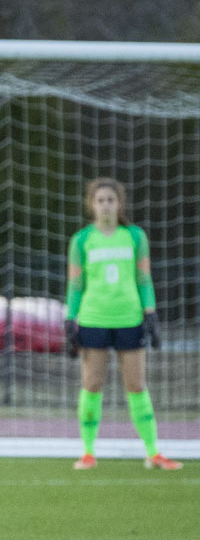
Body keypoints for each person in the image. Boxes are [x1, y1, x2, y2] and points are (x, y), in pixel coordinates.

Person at [64, 178, 181, 471]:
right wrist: (70, 319)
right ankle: (88, 452)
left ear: (120, 204)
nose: (105, 205)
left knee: (137, 385)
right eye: (100, 200)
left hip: (130, 318)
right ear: (92, 205)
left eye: (110, 200)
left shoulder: (135, 237)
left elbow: (144, 279)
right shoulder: (81, 240)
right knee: (91, 385)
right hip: (93, 320)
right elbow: (76, 285)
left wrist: (150, 313)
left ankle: (153, 453)